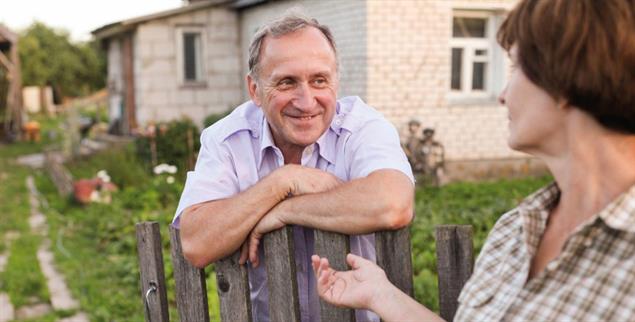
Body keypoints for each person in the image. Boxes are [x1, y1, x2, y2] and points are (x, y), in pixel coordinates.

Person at [311, 0, 635, 321]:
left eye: (517, 67)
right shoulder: (517, 229)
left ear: (567, 76)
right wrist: (380, 295)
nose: (503, 94)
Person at [172, 11, 415, 322]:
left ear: (336, 81)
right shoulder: (227, 139)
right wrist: (284, 181)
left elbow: (393, 205)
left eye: (319, 80)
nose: (306, 100)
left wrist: (282, 211)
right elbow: (196, 243)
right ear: (254, 90)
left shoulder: (363, 127)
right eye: (287, 82)